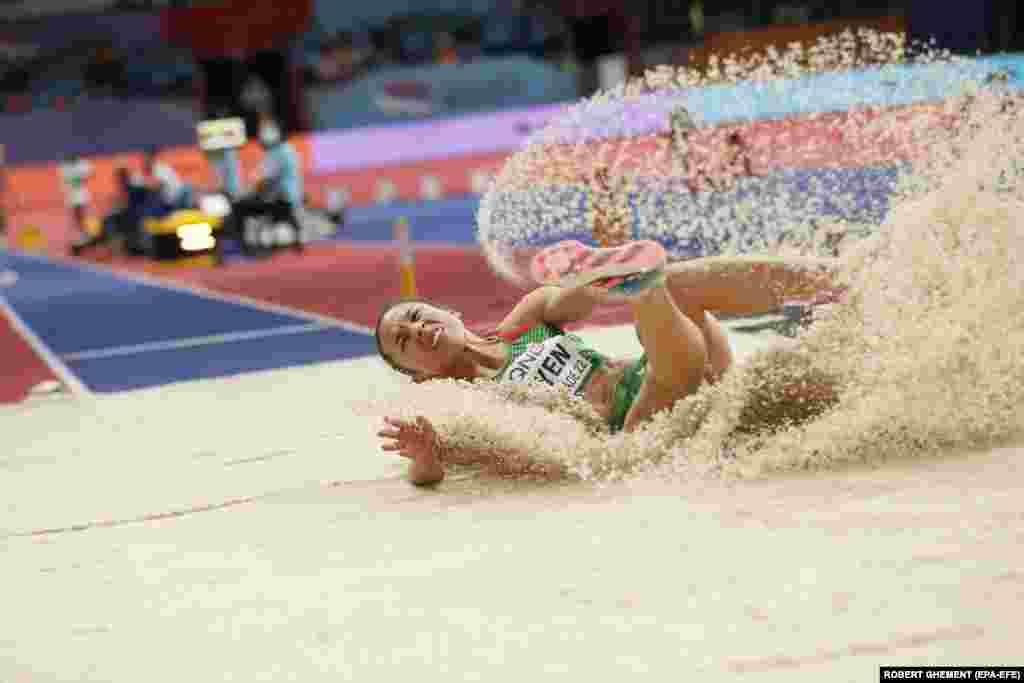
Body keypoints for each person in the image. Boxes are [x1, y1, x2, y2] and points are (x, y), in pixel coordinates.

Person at [376, 239, 842, 485]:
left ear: (448, 313)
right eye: (404, 340)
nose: (416, 329)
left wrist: (584, 281)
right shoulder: (456, 399)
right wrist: (423, 455)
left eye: (416, 317)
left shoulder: (524, 324)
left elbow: (572, 307)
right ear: (418, 372)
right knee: (666, 324)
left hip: (669, 371)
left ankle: (832, 279)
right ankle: (643, 288)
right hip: (640, 426)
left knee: (678, 286)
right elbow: (430, 474)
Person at [219, 112, 304, 257]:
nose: (260, 140)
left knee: (239, 208)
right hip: (290, 197)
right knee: (249, 202)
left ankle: (247, 245)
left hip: (281, 199)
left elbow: (265, 180)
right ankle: (294, 238)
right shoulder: (287, 149)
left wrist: (245, 193)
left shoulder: (277, 153)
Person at [71, 167, 150, 256]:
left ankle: (85, 245)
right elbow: (123, 207)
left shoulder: (134, 189)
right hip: (126, 223)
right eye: (118, 179)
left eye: (120, 178)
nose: (119, 182)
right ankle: (84, 245)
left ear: (125, 177)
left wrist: (116, 209)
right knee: (106, 226)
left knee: (108, 223)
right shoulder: (128, 190)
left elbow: (130, 207)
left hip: (131, 224)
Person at [143, 147, 193, 216]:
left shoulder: (159, 168)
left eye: (146, 157)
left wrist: (146, 185)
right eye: (144, 157)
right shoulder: (155, 168)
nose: (145, 159)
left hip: (174, 199)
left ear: (152, 157)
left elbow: (158, 185)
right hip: (173, 197)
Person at [60, 154, 93, 238]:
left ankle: (85, 232)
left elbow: (90, 173)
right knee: (76, 216)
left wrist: (82, 177)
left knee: (81, 215)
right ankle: (82, 232)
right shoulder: (64, 167)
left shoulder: (83, 164)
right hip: (71, 195)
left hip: (81, 194)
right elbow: (66, 180)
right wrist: (80, 178)